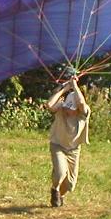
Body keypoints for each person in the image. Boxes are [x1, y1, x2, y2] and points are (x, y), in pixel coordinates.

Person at [45, 73, 91, 208]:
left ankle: (61, 194)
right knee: (60, 173)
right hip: (58, 145)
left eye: (70, 108)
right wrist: (64, 89)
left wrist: (74, 84)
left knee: (70, 183)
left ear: (76, 109)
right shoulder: (61, 107)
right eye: (66, 106)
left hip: (73, 149)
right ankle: (55, 189)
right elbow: (49, 104)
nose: (67, 110)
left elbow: (81, 102)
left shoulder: (84, 113)